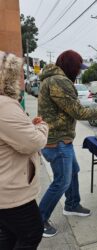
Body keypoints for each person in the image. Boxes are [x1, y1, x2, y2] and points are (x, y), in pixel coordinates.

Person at [38, 50, 97, 237]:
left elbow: (76, 108)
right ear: (70, 66)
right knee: (61, 182)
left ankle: (72, 204)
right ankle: (39, 220)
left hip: (62, 139)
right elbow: (79, 112)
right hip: (56, 141)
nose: (79, 72)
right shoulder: (59, 81)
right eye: (77, 68)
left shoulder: (53, 78)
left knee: (73, 171)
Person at [0, 51, 49, 249]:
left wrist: (27, 125)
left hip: (5, 188)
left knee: (8, 234)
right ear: (7, 76)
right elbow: (34, 142)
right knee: (32, 233)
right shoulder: (4, 106)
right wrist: (41, 127)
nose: (21, 79)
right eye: (16, 74)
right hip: (10, 191)